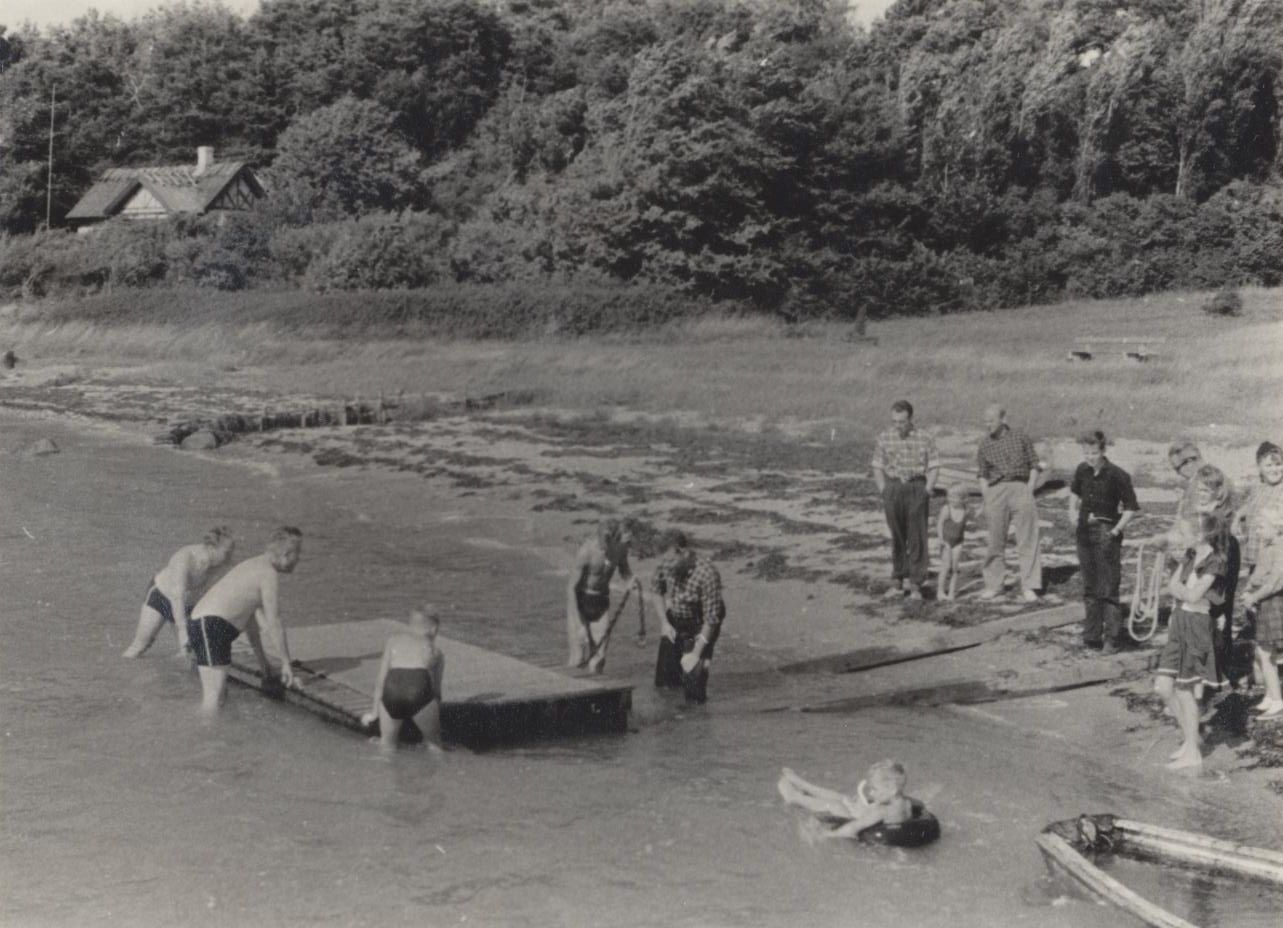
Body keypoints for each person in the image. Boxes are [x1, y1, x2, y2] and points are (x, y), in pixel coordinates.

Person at [187, 527, 302, 714]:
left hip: (202, 624)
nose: (299, 559)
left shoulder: (252, 565)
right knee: (213, 700)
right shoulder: (268, 574)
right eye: (298, 554)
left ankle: (212, 737)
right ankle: (204, 738)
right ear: (286, 554)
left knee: (218, 697)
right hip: (212, 627)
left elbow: (251, 624)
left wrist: (263, 664)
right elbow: (274, 623)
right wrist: (286, 664)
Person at [1155, 513, 1231, 769]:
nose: (1180, 537)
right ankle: (1192, 738)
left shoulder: (1216, 562)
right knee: (1163, 688)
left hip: (1198, 626)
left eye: (1185, 533)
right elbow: (1173, 586)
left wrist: (1184, 592)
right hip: (1179, 620)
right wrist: (1184, 593)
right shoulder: (1190, 555)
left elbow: (1193, 593)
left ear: (1200, 535)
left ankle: (1193, 752)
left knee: (1184, 689)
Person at [1068, 431, 1139, 653]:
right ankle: (1091, 636)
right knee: (1090, 587)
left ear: (1103, 451)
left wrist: (1116, 530)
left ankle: (1112, 639)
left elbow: (1131, 507)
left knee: (1108, 588)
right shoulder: (1082, 470)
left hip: (1106, 531)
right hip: (1084, 532)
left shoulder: (1118, 475)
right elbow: (1074, 493)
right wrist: (1072, 513)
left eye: (1094, 452)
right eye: (1086, 452)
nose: (1090, 457)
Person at [123, 526, 235, 658]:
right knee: (139, 647)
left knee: (190, 654)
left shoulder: (220, 563)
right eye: (227, 553)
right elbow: (177, 596)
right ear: (211, 548)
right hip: (161, 597)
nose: (230, 558)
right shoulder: (185, 557)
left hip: (188, 605)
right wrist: (183, 632)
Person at [871, 399, 939, 601]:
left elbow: (934, 466)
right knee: (898, 536)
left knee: (917, 536)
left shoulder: (925, 437)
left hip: (917, 487)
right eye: (894, 421)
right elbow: (877, 466)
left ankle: (917, 584)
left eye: (901, 422)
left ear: (910, 419)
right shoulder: (885, 437)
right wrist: (884, 489)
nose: (898, 426)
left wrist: (927, 490)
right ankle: (898, 581)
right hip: (893, 488)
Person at [976, 405, 1043, 603]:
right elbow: (982, 474)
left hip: (1020, 487)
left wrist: (1029, 489)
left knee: (1028, 538)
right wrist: (987, 496)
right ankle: (994, 585)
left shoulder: (1020, 437)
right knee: (995, 541)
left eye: (991, 420)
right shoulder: (984, 444)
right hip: (995, 491)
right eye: (985, 420)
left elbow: (1034, 465)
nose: (987, 424)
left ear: (1003, 419)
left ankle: (1029, 586)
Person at [650, 531, 725, 704]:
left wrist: (697, 652)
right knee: (664, 685)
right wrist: (664, 623)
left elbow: (711, 619)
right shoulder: (665, 564)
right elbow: (656, 590)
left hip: (701, 623)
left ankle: (697, 724)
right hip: (674, 619)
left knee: (694, 691)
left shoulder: (707, 573)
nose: (666, 566)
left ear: (684, 552)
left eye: (671, 561)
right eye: (664, 561)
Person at [361, 605, 445, 750]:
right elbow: (436, 691)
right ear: (434, 629)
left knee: (387, 745)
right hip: (419, 689)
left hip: (392, 690)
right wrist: (433, 713)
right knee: (434, 745)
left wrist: (375, 713)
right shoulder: (436, 652)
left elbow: (381, 680)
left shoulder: (393, 641)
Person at [1239, 442, 1283, 718]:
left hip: (1275, 562)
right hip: (1258, 561)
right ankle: (1270, 690)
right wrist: (1239, 519)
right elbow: (1247, 508)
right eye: (1269, 464)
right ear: (1259, 467)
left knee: (1271, 637)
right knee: (1261, 632)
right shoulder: (1257, 490)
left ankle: (1274, 693)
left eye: (1279, 464)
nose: (1276, 469)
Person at [566, 518, 643, 674]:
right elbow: (571, 589)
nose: (604, 545)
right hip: (581, 602)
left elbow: (624, 570)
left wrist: (630, 580)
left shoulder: (620, 549)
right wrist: (578, 623)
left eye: (608, 541)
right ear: (598, 535)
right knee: (577, 658)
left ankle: (594, 690)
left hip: (601, 602)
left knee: (599, 658)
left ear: (615, 539)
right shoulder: (586, 551)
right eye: (602, 540)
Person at [777, 760, 912, 840]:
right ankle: (803, 785)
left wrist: (828, 834)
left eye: (874, 789)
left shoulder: (882, 810)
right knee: (845, 799)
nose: (870, 792)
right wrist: (860, 808)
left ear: (892, 790)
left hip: (868, 823)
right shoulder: (905, 803)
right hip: (874, 819)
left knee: (834, 805)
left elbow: (853, 827)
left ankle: (794, 797)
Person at [936, 484, 969, 601]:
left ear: (963, 499)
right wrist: (941, 539)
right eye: (949, 496)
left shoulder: (965, 510)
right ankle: (940, 591)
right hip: (946, 541)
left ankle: (951, 593)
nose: (951, 499)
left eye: (955, 497)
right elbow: (939, 524)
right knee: (945, 566)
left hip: (958, 541)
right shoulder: (946, 509)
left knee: (955, 568)